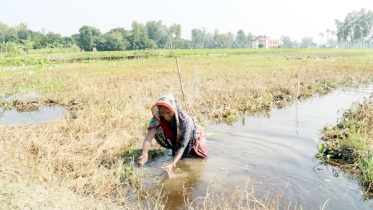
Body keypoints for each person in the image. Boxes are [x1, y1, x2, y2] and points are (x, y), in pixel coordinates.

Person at [137, 94, 208, 177]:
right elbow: (149, 137)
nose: (165, 115)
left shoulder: (185, 121)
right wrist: (144, 154)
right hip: (177, 136)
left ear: (174, 109)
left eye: (168, 112)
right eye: (162, 113)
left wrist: (173, 164)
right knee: (179, 156)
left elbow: (182, 145)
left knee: (197, 160)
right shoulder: (158, 118)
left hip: (194, 136)